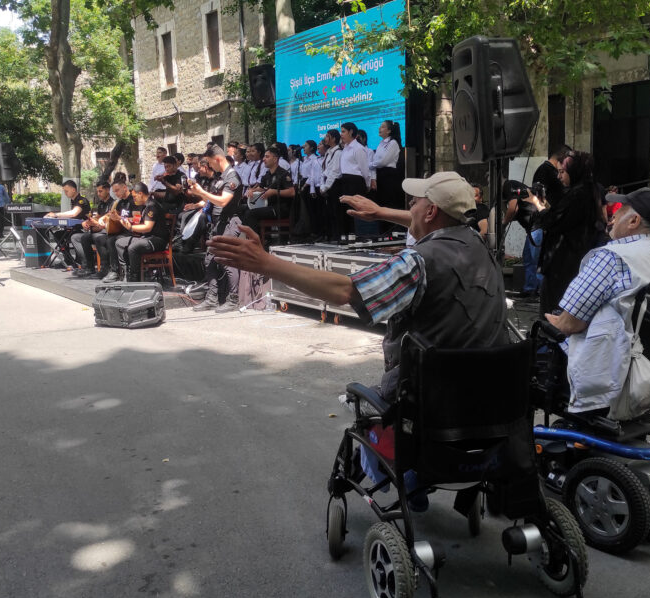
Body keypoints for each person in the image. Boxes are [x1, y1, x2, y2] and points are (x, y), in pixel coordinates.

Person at [209, 171, 508, 508]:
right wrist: (380, 213)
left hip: (430, 401)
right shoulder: (478, 243)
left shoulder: (417, 262)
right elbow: (426, 220)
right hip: (487, 397)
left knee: (366, 405)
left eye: (416, 201)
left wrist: (267, 263)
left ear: (431, 212)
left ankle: (405, 478)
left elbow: (346, 291)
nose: (409, 206)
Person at [545, 188, 650, 413]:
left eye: (620, 210)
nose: (612, 216)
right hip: (647, 365)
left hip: (603, 371)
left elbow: (570, 324)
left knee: (540, 339)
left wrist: (554, 322)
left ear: (634, 221)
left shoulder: (612, 256)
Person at [537, 151, 607, 316]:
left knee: (555, 309)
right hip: (575, 260)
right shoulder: (589, 191)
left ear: (574, 171)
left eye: (562, 172)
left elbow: (554, 222)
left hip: (565, 263)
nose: (559, 177)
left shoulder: (578, 194)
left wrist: (538, 206)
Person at [187, 145, 245, 312]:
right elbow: (212, 200)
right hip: (218, 222)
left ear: (217, 159)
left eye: (209, 162)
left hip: (230, 221)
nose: (209, 166)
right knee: (210, 259)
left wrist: (202, 192)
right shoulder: (220, 177)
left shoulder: (232, 177)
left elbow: (223, 201)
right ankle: (212, 298)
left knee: (226, 260)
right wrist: (198, 192)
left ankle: (233, 299)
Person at [114, 183, 170, 282]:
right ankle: (126, 271)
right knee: (119, 242)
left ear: (140, 193)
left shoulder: (152, 206)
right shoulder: (145, 206)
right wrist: (122, 219)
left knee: (133, 247)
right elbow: (139, 221)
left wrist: (131, 228)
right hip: (147, 238)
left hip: (157, 240)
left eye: (134, 196)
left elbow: (147, 227)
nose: (134, 199)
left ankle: (135, 278)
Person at [503, 180, 547, 297]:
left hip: (536, 229)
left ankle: (540, 292)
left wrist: (503, 223)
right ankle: (530, 289)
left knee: (536, 261)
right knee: (528, 259)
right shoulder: (521, 193)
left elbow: (513, 208)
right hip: (532, 230)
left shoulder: (508, 187)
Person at [241, 146, 295, 233]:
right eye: (264, 157)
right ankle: (250, 237)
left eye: (267, 157)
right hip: (268, 205)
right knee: (242, 209)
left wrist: (274, 192)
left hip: (280, 208)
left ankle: (255, 239)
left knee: (250, 214)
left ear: (275, 159)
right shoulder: (267, 174)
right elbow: (261, 188)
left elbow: (292, 192)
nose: (264, 159)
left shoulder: (283, 174)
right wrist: (252, 190)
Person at [71, 181, 118, 279]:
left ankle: (105, 268)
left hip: (108, 231)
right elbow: (97, 217)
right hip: (99, 230)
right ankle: (89, 267)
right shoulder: (101, 204)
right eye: (97, 191)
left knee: (98, 237)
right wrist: (88, 222)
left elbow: (109, 219)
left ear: (107, 190)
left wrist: (96, 222)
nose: (98, 194)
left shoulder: (113, 203)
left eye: (101, 191)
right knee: (84, 237)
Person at [339, 122, 371, 237]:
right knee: (346, 209)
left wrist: (367, 184)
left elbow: (365, 169)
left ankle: (358, 235)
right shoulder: (345, 148)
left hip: (356, 182)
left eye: (343, 131)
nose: (341, 134)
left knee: (355, 209)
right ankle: (348, 235)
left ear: (351, 132)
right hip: (345, 180)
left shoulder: (358, 148)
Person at [100, 180, 136, 282]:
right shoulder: (120, 202)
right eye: (114, 191)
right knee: (105, 239)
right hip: (122, 230)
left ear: (124, 188)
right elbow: (111, 213)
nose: (116, 193)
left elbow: (136, 219)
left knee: (113, 240)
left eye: (117, 190)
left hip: (133, 231)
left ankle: (118, 271)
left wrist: (119, 218)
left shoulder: (133, 200)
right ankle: (110, 269)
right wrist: (103, 218)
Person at [370, 120, 404, 212]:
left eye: (383, 127)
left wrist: (370, 165)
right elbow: (376, 160)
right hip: (380, 175)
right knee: (380, 203)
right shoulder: (381, 143)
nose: (379, 128)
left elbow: (383, 162)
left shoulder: (393, 143)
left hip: (389, 176)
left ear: (389, 131)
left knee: (388, 203)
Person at [318, 129, 343, 242]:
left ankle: (337, 236)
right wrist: (322, 185)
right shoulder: (329, 152)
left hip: (335, 184)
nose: (325, 138)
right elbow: (325, 170)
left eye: (328, 136)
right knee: (328, 212)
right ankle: (330, 235)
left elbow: (335, 172)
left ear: (333, 138)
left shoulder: (338, 152)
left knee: (336, 211)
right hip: (327, 184)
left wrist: (325, 187)